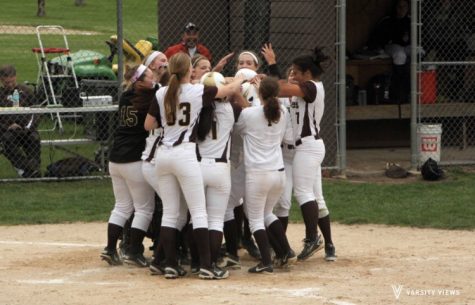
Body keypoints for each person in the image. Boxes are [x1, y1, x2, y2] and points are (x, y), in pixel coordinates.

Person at [144, 52, 244, 279]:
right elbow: (228, 91)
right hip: (184, 154)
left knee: (170, 214)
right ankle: (208, 266)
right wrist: (240, 80)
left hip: (162, 155)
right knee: (199, 212)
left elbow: (148, 123)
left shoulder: (161, 92)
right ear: (189, 70)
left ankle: (170, 265)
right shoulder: (197, 90)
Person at [278, 47, 336, 261]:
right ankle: (310, 239)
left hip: (308, 146)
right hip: (300, 149)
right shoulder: (306, 86)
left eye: (297, 71)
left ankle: (315, 238)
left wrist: (269, 75)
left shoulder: (312, 87)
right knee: (300, 195)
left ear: (307, 74)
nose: (293, 75)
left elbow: (282, 89)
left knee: (305, 193)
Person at [234, 76, 295, 273]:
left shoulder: (249, 114)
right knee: (267, 213)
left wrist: (239, 94)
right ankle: (285, 251)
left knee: (255, 219)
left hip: (258, 174)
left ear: (259, 94)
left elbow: (240, 128)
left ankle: (266, 262)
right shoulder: (282, 111)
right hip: (278, 173)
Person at [100, 64, 156, 267]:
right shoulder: (148, 97)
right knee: (144, 208)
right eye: (150, 76)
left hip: (115, 159)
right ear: (140, 81)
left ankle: (109, 248)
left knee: (122, 206)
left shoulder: (126, 95)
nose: (154, 79)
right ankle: (133, 251)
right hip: (133, 159)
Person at [0, 65, 41, 178]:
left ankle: (32, 168)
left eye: (12, 82)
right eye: (6, 83)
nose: (9, 85)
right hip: (7, 130)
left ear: (16, 77)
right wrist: (7, 127)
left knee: (34, 138)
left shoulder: (26, 91)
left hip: (26, 129)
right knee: (7, 140)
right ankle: (30, 169)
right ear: (1, 80)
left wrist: (27, 128)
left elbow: (36, 113)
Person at [370, 0, 411, 103]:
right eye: (399, 7)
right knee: (400, 54)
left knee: (419, 51)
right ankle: (400, 90)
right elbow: (376, 39)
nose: (402, 10)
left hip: (407, 47)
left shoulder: (411, 21)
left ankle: (416, 89)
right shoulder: (388, 21)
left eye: (404, 7)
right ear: (395, 8)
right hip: (391, 47)